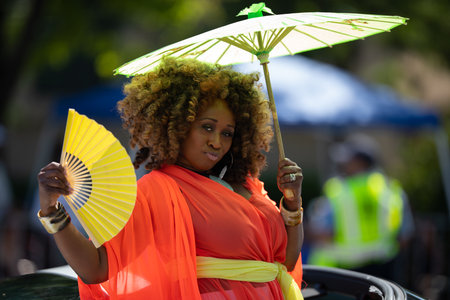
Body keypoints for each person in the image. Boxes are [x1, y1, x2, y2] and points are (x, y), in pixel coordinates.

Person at [37, 57, 304, 299]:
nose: (216, 141)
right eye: (207, 127)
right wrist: (52, 212)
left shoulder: (247, 184)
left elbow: (286, 261)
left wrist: (292, 203)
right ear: (177, 126)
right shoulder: (158, 190)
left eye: (227, 132)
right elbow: (96, 268)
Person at [306, 134, 414, 281]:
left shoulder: (339, 190)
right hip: (386, 270)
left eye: (347, 160)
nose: (342, 164)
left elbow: (324, 233)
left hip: (348, 273)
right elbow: (404, 236)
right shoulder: (391, 190)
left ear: (360, 163)